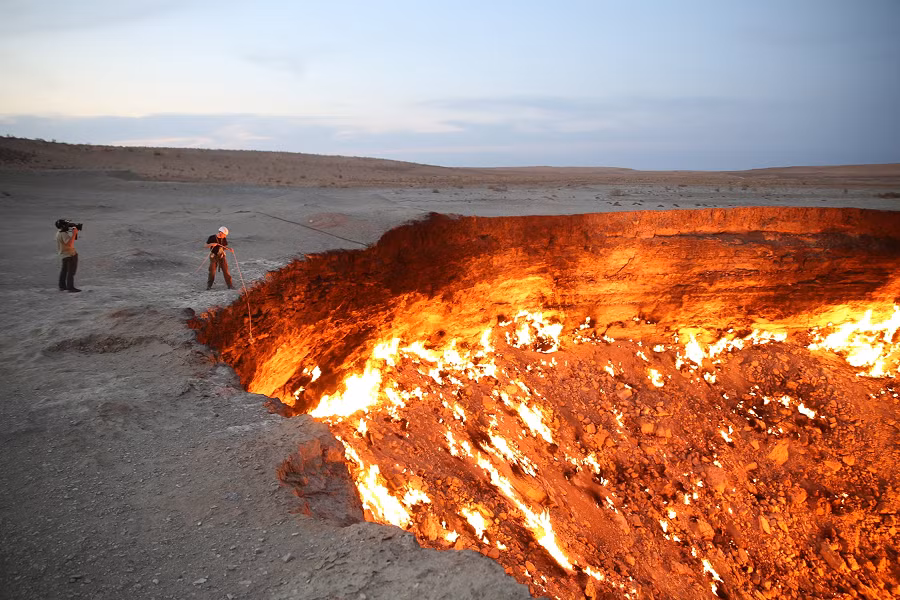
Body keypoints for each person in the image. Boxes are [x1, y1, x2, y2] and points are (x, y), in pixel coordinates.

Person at [55, 219, 80, 293]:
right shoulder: (63, 234)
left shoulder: (59, 232)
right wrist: (74, 233)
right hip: (69, 254)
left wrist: (75, 233)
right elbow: (70, 244)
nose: (68, 225)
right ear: (62, 226)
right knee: (71, 272)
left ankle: (62, 286)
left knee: (64, 271)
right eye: (66, 224)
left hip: (64, 254)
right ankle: (70, 287)